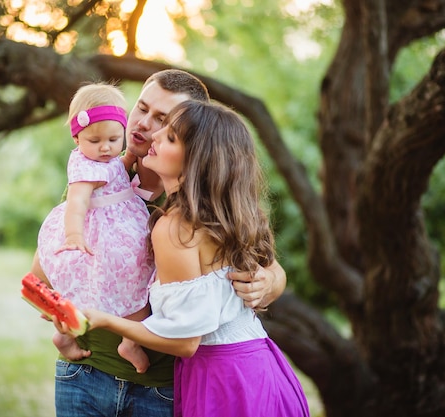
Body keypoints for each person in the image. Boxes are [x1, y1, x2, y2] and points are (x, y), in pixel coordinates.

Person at [31, 69, 287, 417]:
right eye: (142, 108)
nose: (143, 124)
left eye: (163, 120)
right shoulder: (98, 177)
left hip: (162, 389)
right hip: (87, 373)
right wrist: (65, 318)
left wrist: (269, 282)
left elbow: (262, 261)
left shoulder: (193, 200)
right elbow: (45, 272)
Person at [82, 99, 310, 417]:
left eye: (171, 137)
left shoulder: (175, 228)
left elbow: (185, 340)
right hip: (260, 365)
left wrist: (106, 320)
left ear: (195, 162)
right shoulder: (225, 218)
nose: (156, 136)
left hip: (222, 377)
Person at [35, 83, 153, 373]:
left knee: (134, 285)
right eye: (95, 140)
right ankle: (82, 337)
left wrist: (127, 158)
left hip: (121, 229)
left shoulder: (112, 157)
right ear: (77, 137)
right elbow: (76, 203)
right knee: (91, 286)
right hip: (98, 235)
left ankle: (125, 340)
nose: (105, 148)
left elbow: (118, 168)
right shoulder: (84, 168)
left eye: (114, 139)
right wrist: (74, 236)